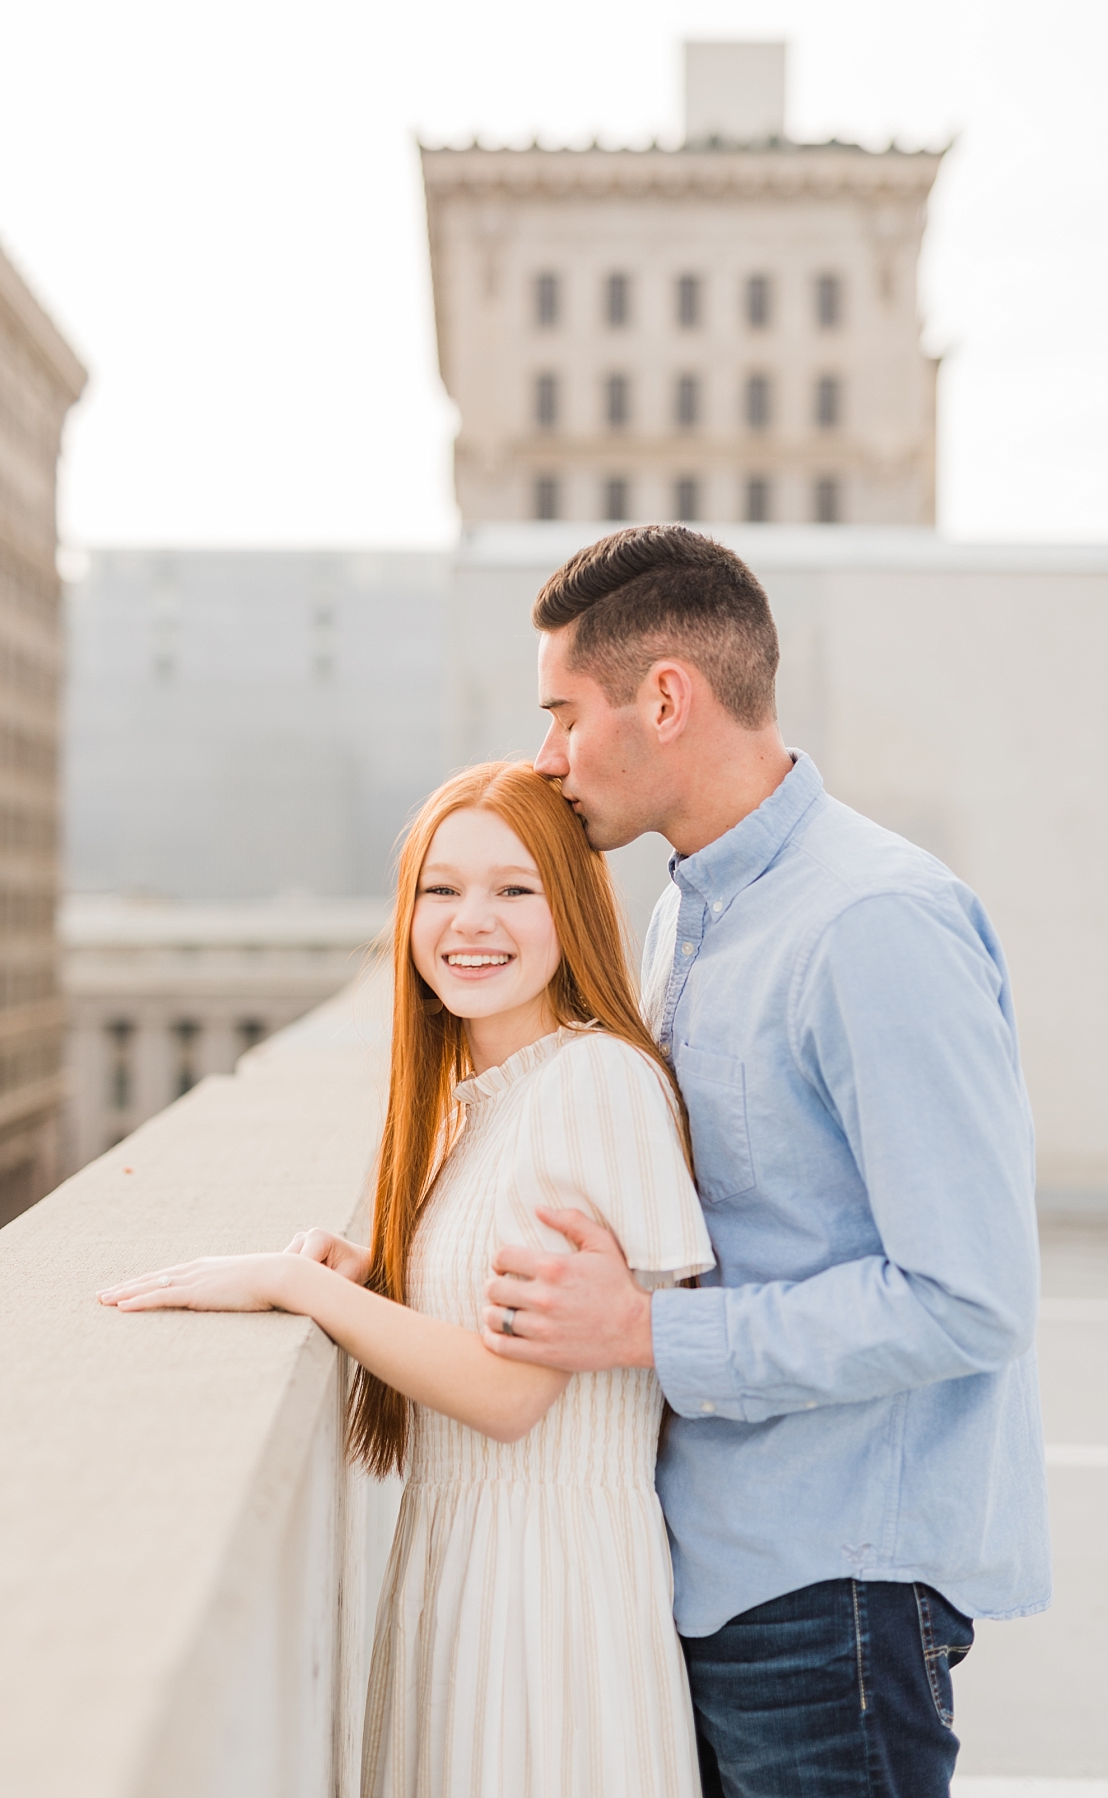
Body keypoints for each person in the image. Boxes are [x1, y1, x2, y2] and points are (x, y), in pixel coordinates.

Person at [477, 523, 1051, 1797]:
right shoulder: (688, 905)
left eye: (565, 713)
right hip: (720, 1567)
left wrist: (646, 1335)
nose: (546, 756)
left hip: (833, 1590)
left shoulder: (872, 923)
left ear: (665, 699)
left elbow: (971, 1293)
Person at [99, 760, 714, 1798]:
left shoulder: (596, 1082)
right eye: (442, 889)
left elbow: (513, 1391)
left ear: (572, 906)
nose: (471, 921)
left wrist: (303, 1289)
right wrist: (380, 1271)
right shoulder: (473, 1106)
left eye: (514, 889)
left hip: (550, 1595)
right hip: (460, 1568)